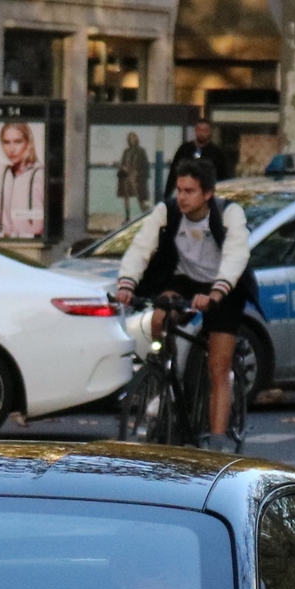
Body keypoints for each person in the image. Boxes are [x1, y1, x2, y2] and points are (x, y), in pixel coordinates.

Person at [112, 157, 257, 452]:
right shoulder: (167, 211)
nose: (182, 197)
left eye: (190, 191)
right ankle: (165, 378)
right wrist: (127, 283)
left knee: (218, 366)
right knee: (158, 318)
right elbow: (141, 247)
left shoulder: (228, 214)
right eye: (179, 189)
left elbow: (236, 255)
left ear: (207, 194)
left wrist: (217, 292)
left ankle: (216, 443)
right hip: (185, 279)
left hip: (223, 286)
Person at [0, 121, 42, 238]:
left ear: (28, 143)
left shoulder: (40, 175)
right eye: (6, 142)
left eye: (18, 142)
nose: (12, 149)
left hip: (34, 242)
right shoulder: (0, 173)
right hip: (4, 241)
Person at [166, 118, 227, 191]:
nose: (202, 133)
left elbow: (223, 175)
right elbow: (173, 172)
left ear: (210, 132)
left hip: (209, 191)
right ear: (195, 130)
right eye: (199, 130)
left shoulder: (217, 152)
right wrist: (168, 192)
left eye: (205, 130)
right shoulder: (184, 149)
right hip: (186, 189)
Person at [116, 131, 152, 219]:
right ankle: (127, 217)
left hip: (136, 177)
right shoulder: (126, 151)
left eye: (132, 137)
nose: (131, 139)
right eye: (129, 138)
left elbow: (145, 164)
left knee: (140, 198)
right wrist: (123, 168)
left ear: (136, 139)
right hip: (126, 177)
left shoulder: (141, 151)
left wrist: (138, 173)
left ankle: (146, 214)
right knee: (126, 197)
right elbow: (122, 162)